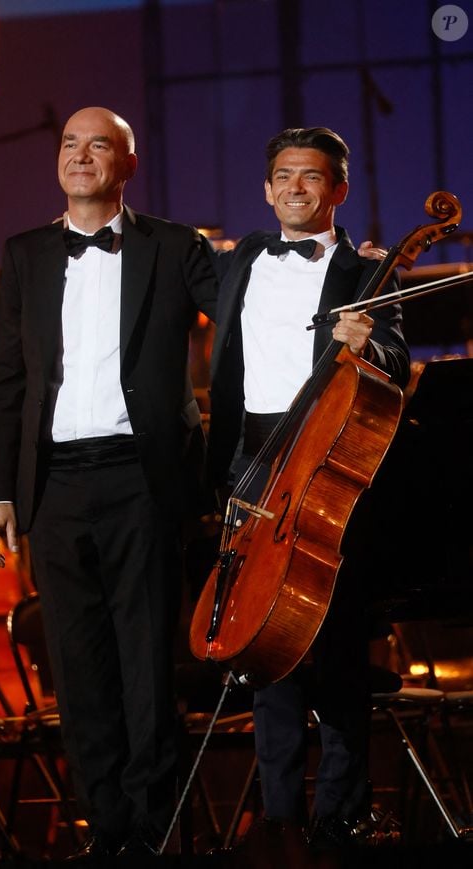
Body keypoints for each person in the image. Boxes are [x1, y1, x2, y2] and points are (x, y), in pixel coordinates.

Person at [0, 106, 219, 859]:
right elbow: (6, 380)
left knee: (147, 659)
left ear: (127, 164)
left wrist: (337, 265)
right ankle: (106, 828)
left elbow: (249, 307)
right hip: (53, 488)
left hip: (142, 480)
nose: (81, 156)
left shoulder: (175, 246)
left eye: (99, 145)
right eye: (70, 144)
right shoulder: (24, 254)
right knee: (77, 666)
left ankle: (156, 827)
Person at [205, 127, 410, 853]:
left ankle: (344, 811)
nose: (296, 187)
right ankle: (280, 811)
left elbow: (396, 355)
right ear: (266, 189)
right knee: (265, 644)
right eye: (285, 175)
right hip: (255, 459)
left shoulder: (366, 272)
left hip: (328, 463)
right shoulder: (238, 262)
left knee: (338, 647)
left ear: (339, 190)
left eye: (313, 176)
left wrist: (370, 342)